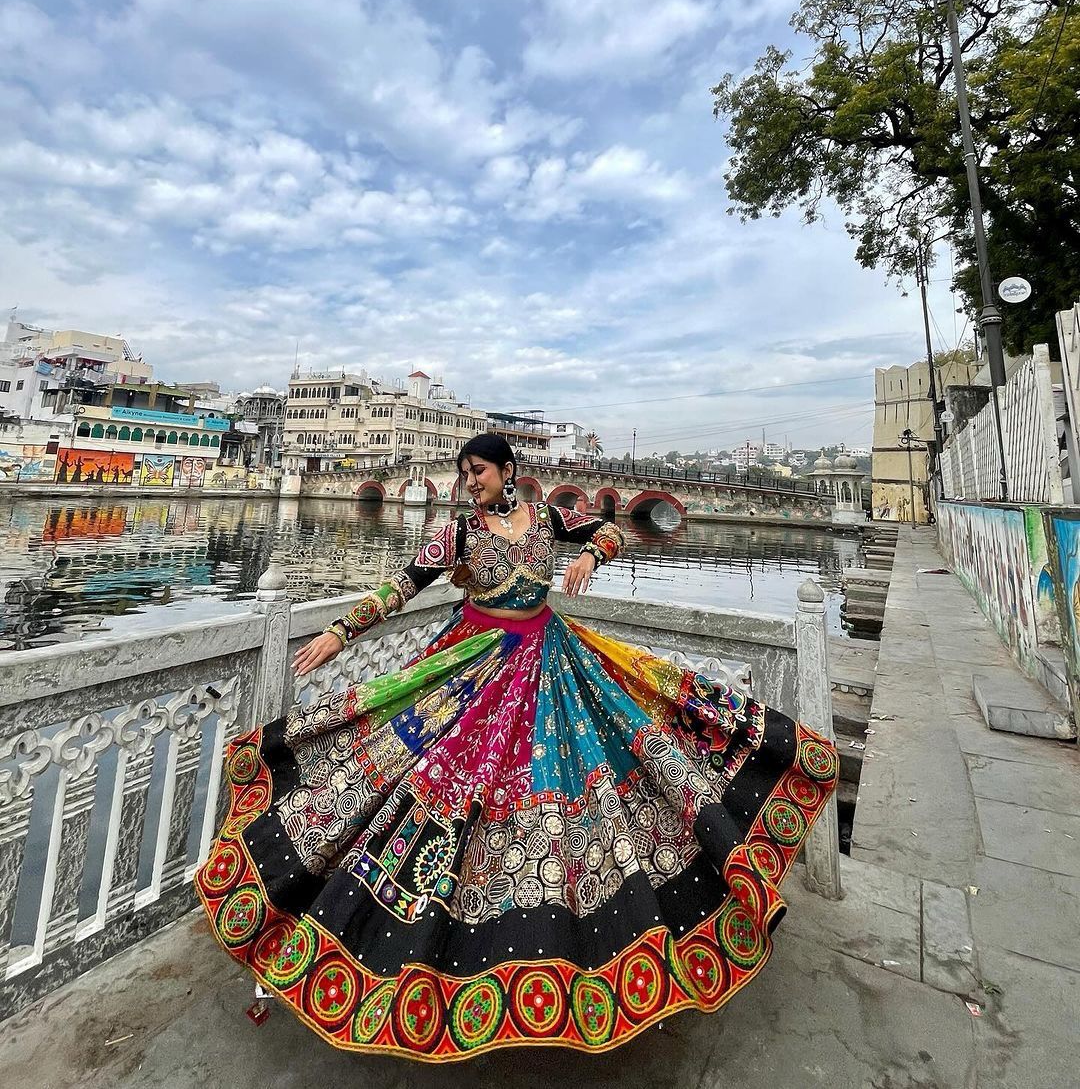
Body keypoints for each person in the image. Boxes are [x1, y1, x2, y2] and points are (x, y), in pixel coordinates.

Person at [196, 434, 838, 1060]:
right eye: (464, 473)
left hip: (552, 658)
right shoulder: (456, 535)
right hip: (477, 667)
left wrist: (591, 556)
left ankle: (588, 934)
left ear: (508, 470)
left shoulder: (547, 517)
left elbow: (608, 529)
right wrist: (341, 630)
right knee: (436, 786)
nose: (470, 481)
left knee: (599, 774)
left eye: (479, 470)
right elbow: (400, 589)